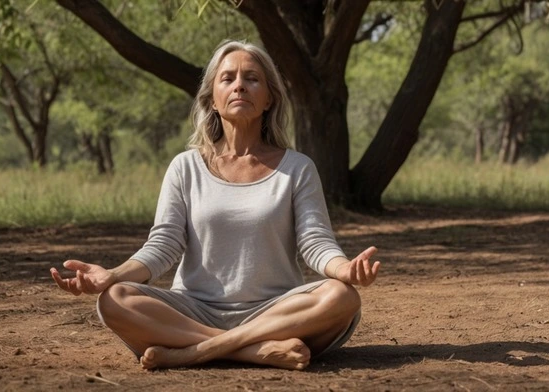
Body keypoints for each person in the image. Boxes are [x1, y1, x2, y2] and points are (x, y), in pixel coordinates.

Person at [50, 40, 381, 371]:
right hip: (193, 309)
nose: (239, 85)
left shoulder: (297, 168)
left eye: (252, 78)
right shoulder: (185, 167)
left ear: (269, 99)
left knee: (343, 297)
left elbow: (315, 241)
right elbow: (163, 245)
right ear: (212, 100)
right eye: (228, 78)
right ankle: (254, 351)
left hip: (276, 312)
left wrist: (345, 270)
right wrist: (112, 275)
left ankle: (194, 352)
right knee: (114, 299)